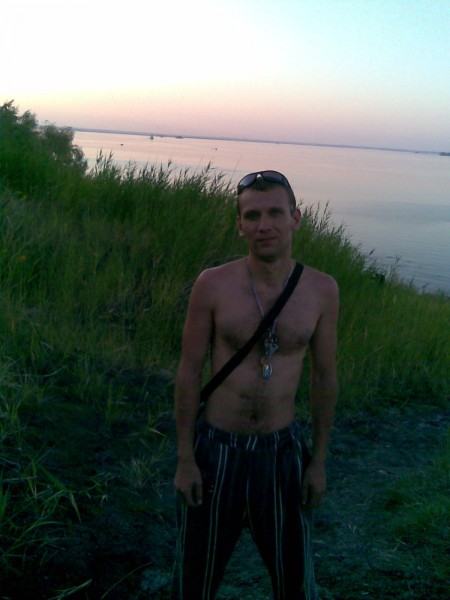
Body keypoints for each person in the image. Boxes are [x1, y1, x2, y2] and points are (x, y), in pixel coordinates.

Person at [172, 170, 339, 599]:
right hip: (217, 452)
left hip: (281, 454)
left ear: (295, 218)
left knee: (293, 578)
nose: (264, 225)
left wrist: (318, 462)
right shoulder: (212, 285)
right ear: (240, 226)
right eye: (252, 216)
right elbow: (189, 371)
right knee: (194, 578)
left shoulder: (321, 290)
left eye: (275, 213)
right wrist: (185, 458)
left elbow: (324, 377)